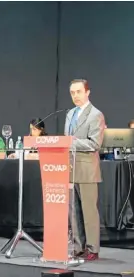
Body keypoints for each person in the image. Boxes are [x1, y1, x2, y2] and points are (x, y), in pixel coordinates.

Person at [64, 79, 105, 261]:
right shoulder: (69, 113)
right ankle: (78, 246)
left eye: (79, 92)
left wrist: (70, 142)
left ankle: (92, 248)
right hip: (70, 168)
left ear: (87, 92)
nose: (75, 96)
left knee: (89, 211)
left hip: (87, 169)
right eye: (72, 93)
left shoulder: (96, 114)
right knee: (73, 211)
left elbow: (94, 143)